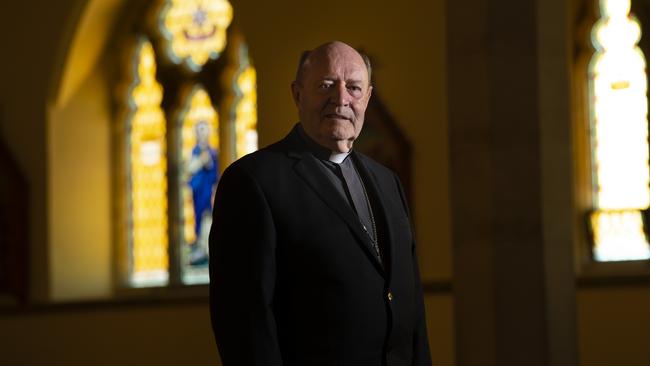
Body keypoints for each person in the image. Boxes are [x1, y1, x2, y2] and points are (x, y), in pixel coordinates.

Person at [209, 41, 432, 366]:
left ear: (367, 98)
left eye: (353, 88)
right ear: (298, 94)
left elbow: (413, 310)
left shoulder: (387, 182)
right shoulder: (253, 181)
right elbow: (245, 323)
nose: (341, 99)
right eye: (325, 85)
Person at [187, 120, 219, 265]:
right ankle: (200, 247)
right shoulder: (195, 151)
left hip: (209, 191)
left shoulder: (213, 152)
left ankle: (208, 249)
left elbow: (216, 171)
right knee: (199, 218)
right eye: (199, 130)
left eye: (204, 130)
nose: (202, 133)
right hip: (198, 192)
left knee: (208, 218)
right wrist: (200, 161)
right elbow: (189, 170)